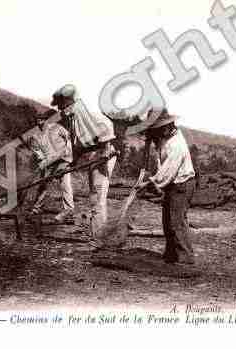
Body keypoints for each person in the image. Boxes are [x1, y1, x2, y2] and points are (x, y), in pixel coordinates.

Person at [128, 108, 197, 264]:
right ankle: (172, 254)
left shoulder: (176, 144)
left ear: (167, 126)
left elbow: (168, 172)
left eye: (158, 128)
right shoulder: (164, 138)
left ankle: (186, 256)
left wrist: (150, 183)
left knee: (176, 220)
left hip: (182, 184)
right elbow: (160, 162)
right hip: (173, 184)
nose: (156, 132)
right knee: (167, 220)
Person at [50, 84, 117, 239]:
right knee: (94, 196)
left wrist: (105, 150)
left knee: (97, 197)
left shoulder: (88, 112)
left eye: (61, 106)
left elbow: (107, 127)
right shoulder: (73, 117)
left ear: (69, 102)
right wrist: (71, 163)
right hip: (92, 154)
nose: (60, 110)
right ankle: (98, 235)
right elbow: (79, 145)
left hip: (102, 153)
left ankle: (99, 238)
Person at [27, 109, 75, 222]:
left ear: (46, 119)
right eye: (38, 120)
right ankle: (37, 208)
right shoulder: (34, 136)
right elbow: (37, 151)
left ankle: (69, 210)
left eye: (42, 119)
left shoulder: (57, 128)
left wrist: (67, 155)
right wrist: (44, 162)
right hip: (49, 162)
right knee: (43, 185)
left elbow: (68, 139)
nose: (40, 122)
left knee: (65, 185)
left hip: (63, 160)